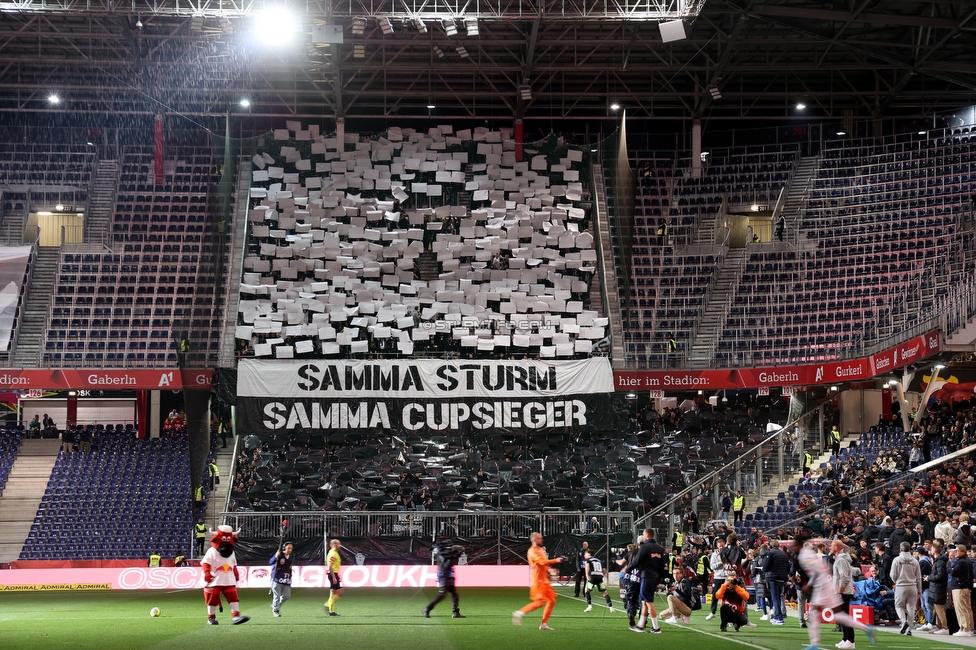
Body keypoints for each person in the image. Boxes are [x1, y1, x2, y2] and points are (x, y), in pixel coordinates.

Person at [794, 530, 876, 650]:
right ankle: (865, 629)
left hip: (823, 585)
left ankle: (815, 644)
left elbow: (819, 570)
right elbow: (821, 569)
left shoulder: (805, 555)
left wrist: (811, 583)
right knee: (838, 615)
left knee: (817, 614)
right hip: (825, 584)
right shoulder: (808, 553)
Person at [513, 531, 563, 631]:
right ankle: (519, 613)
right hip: (538, 580)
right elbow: (540, 562)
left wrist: (550, 570)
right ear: (534, 540)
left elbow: (544, 564)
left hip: (544, 580)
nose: (542, 539)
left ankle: (543, 624)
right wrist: (555, 560)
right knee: (539, 603)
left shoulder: (541, 550)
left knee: (552, 600)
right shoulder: (532, 551)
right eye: (540, 538)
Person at [201, 525, 249, 625]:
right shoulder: (212, 551)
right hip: (214, 580)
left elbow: (233, 564)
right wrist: (207, 574)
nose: (226, 542)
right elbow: (205, 563)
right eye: (224, 539)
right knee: (212, 599)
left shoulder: (232, 553)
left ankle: (236, 616)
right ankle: (211, 618)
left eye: (228, 539)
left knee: (233, 597)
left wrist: (235, 573)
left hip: (228, 579)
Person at [623, 528, 666, 634]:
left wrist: (627, 569)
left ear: (647, 535)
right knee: (644, 600)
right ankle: (641, 625)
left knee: (648, 601)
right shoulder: (660, 548)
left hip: (646, 576)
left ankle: (656, 627)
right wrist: (660, 577)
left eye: (643, 534)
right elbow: (663, 565)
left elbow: (636, 561)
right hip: (655, 577)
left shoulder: (645, 547)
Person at [422, 539, 465, 618]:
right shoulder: (443, 553)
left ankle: (455, 612)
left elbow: (453, 556)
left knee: (454, 594)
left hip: (448, 574)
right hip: (444, 575)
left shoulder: (444, 552)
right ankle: (427, 608)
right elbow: (451, 555)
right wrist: (458, 551)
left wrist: (458, 552)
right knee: (442, 594)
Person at [831, 540, 857, 649]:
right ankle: (845, 638)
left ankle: (850, 640)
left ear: (837, 547)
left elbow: (844, 577)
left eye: (832, 546)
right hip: (843, 591)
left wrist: (839, 592)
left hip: (843, 592)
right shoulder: (841, 558)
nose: (830, 547)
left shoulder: (841, 560)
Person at [764, 538, 791, 625]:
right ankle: (779, 615)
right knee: (779, 597)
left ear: (771, 546)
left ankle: (778, 617)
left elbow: (765, 567)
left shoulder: (771, 553)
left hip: (773, 577)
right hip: (782, 577)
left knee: (775, 598)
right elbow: (788, 567)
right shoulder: (784, 554)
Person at [948, 544, 973, 636]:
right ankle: (969, 628)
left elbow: (953, 572)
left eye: (957, 551)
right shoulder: (967, 561)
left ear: (963, 551)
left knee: (961, 609)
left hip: (959, 587)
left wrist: (950, 567)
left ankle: (964, 628)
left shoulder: (961, 562)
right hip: (965, 587)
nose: (955, 552)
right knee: (967, 609)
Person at [927, 539, 950, 635]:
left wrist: (929, 578)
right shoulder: (938, 561)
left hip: (938, 587)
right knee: (937, 608)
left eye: (931, 548)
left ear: (935, 550)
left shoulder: (940, 561)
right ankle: (939, 626)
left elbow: (941, 575)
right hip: (936, 587)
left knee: (939, 608)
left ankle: (944, 627)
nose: (930, 550)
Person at [270, 541, 294, 617]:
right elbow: (270, 562)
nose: (290, 550)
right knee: (277, 596)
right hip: (277, 579)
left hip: (286, 580)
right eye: (288, 548)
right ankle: (275, 610)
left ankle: (275, 606)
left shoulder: (291, 557)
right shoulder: (279, 554)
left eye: (291, 548)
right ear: (284, 548)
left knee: (286, 596)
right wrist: (275, 557)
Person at [705, 538, 727, 620]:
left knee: (726, 597)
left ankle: (727, 616)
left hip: (726, 577)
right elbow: (712, 566)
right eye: (719, 545)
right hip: (717, 577)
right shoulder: (714, 554)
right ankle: (713, 612)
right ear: (717, 546)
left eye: (722, 545)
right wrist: (720, 562)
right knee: (715, 595)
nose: (721, 547)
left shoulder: (728, 553)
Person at [324, 539, 343, 616]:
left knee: (335, 592)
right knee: (337, 592)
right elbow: (330, 566)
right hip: (333, 574)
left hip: (334, 573)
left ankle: (329, 607)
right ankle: (329, 608)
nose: (340, 545)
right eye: (339, 544)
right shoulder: (333, 553)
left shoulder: (334, 553)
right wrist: (334, 577)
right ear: (335, 544)